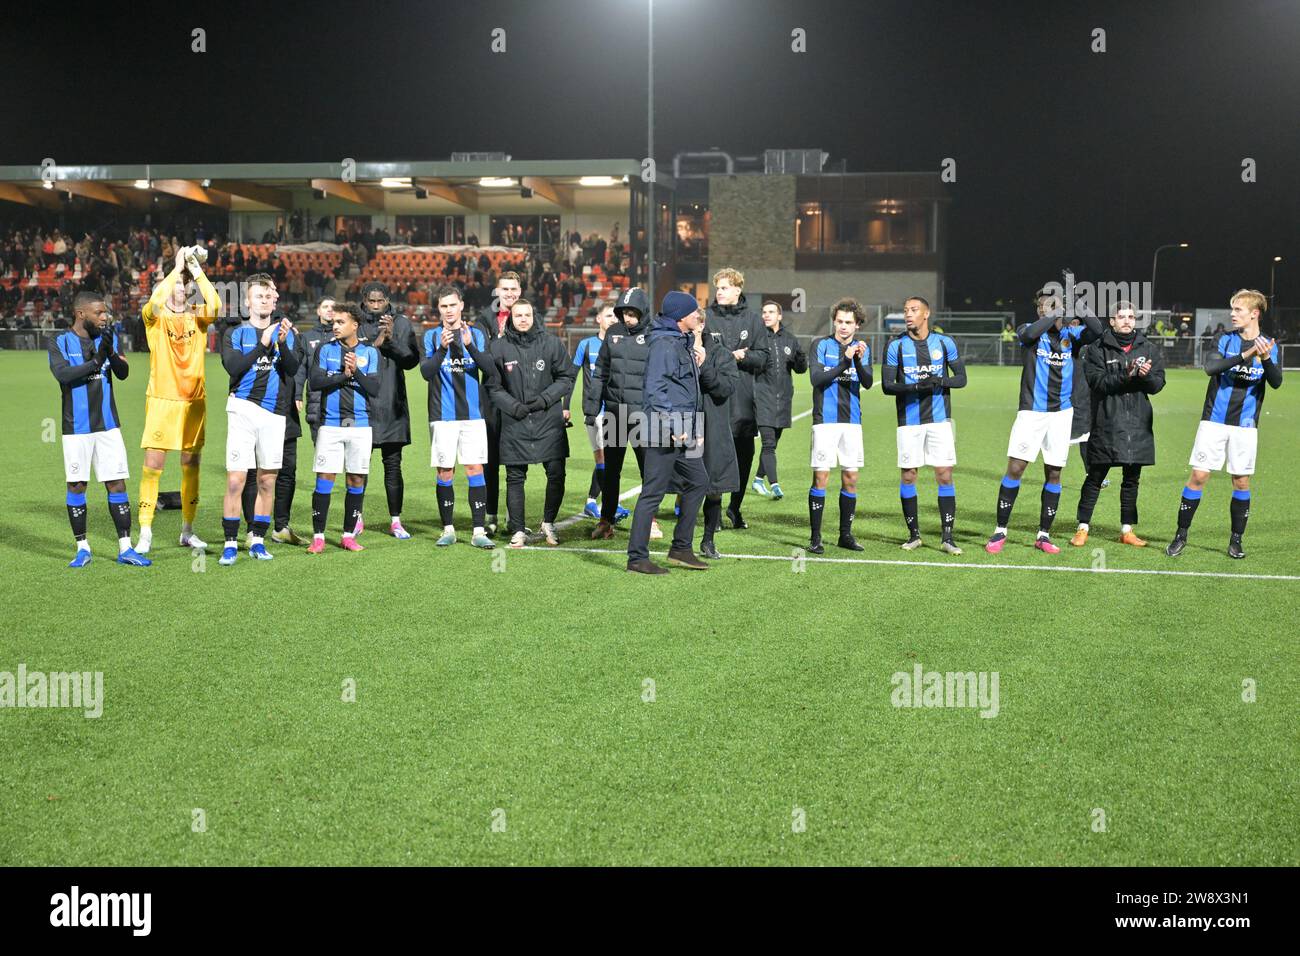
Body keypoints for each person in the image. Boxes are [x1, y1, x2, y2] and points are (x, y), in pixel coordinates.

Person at [1166, 289, 1283, 559]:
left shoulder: (1269, 346)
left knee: (1241, 481)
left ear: (1254, 313)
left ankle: (1236, 541)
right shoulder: (1224, 339)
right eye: (1232, 309)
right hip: (1214, 421)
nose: (1232, 314)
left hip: (1245, 424)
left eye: (1238, 310)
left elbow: (1276, 382)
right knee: (1199, 476)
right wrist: (1247, 355)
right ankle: (1181, 535)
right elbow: (1211, 368)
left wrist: (1264, 357)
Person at [985, 286, 1102, 554]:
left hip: (1061, 414)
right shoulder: (1029, 331)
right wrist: (1055, 312)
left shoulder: (1071, 335)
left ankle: (1043, 535)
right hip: (1031, 411)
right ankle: (1000, 530)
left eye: (1048, 306)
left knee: (1054, 471)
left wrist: (1078, 305)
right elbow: (1030, 332)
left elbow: (1097, 331)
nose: (1042, 310)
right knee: (1016, 468)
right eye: (1041, 307)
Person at [49, 292, 150, 567]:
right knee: (77, 484)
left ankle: (126, 547)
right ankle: (82, 548)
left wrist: (110, 354)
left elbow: (123, 372)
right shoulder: (59, 341)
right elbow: (63, 375)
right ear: (81, 314)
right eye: (99, 313)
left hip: (108, 425)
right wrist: (96, 361)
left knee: (116, 482)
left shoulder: (108, 337)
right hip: (76, 427)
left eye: (106, 313)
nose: (105, 317)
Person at [136, 245, 220, 554]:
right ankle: (145, 531)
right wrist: (175, 267)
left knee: (191, 463)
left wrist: (194, 269)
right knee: (153, 464)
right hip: (162, 400)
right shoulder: (154, 320)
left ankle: (187, 529)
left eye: (184, 291)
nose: (179, 294)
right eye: (175, 290)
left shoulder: (199, 319)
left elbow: (215, 302)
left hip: (193, 401)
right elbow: (156, 301)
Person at [626, 291, 711, 573]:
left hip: (684, 427)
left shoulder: (679, 341)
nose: (698, 315)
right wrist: (675, 425)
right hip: (663, 428)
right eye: (693, 311)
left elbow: (685, 390)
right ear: (680, 316)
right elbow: (655, 389)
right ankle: (637, 558)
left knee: (699, 480)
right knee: (653, 492)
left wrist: (693, 426)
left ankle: (681, 549)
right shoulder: (664, 343)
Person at [218, 274, 300, 565]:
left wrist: (281, 343)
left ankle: (258, 539)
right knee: (236, 479)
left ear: (274, 299)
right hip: (242, 409)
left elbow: (292, 368)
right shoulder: (235, 333)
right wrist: (263, 345)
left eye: (268, 296)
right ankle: (230, 542)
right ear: (247, 301)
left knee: (267, 480)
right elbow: (234, 367)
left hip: (275, 414)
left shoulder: (287, 332)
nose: (264, 301)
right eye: (258, 296)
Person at [1069, 301, 1165, 548]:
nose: (1127, 320)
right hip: (1106, 422)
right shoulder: (1097, 348)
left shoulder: (1149, 348)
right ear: (1111, 321)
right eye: (1121, 316)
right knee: (1095, 477)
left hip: (1138, 425)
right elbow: (1097, 382)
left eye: (1131, 316)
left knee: (1131, 480)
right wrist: (1127, 374)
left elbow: (1157, 385)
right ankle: (1082, 527)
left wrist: (1144, 377)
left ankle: (1127, 530)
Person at [881, 295, 967, 554]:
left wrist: (940, 381)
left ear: (926, 314)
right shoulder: (895, 346)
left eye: (914, 309)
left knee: (944, 474)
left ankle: (947, 537)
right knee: (909, 475)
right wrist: (916, 386)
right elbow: (887, 386)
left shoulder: (944, 342)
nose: (908, 314)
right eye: (905, 310)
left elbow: (961, 379)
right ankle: (914, 534)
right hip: (909, 422)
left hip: (940, 421)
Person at [487, 299, 576, 548]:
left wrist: (545, 400)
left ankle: (549, 522)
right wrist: (513, 406)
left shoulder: (551, 343)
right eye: (518, 315)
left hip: (548, 419)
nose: (523, 319)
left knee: (556, 473)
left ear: (534, 316)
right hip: (514, 421)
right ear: (510, 319)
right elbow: (492, 386)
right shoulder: (499, 347)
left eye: (527, 314)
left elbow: (567, 376)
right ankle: (517, 529)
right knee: (515, 477)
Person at [421, 285, 494, 549]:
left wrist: (470, 346)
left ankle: (478, 531)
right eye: (443, 306)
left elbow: (490, 369)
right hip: (442, 416)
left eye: (453, 305)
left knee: (474, 469)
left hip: (473, 416)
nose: (449, 310)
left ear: (461, 305)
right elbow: (426, 373)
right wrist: (441, 350)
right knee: (445, 471)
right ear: (438, 309)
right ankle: (448, 528)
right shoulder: (430, 336)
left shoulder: (475, 334)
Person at [307, 303, 380, 553]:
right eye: (334, 322)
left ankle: (348, 535)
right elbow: (315, 382)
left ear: (354, 325)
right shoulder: (325, 350)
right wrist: (344, 375)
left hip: (360, 425)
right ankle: (318, 536)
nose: (334, 326)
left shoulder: (370, 353)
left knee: (356, 478)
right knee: (325, 479)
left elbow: (375, 388)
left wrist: (356, 372)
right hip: (330, 424)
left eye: (340, 322)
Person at [586, 287, 656, 540]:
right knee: (611, 469)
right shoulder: (613, 333)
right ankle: (606, 520)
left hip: (643, 416)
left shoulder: (654, 334)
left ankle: (650, 520)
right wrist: (592, 408)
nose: (627, 318)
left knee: (647, 470)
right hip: (615, 413)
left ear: (643, 311)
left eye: (632, 313)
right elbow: (601, 371)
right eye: (624, 312)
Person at [808, 298, 874, 554]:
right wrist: (845, 362)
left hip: (852, 422)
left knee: (851, 478)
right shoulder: (820, 345)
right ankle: (815, 538)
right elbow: (817, 378)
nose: (843, 327)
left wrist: (856, 360)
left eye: (848, 322)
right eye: (839, 321)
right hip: (825, 421)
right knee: (821, 477)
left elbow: (868, 382)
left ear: (857, 325)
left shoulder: (862, 349)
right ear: (834, 321)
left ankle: (845, 535)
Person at [706, 267, 769, 530]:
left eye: (724, 287)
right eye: (717, 288)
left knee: (745, 455)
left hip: (743, 400)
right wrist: (725, 357)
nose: (719, 292)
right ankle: (715, 512)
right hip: (715, 398)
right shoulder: (706, 318)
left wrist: (743, 356)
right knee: (714, 457)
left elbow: (763, 357)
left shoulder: (754, 320)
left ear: (737, 290)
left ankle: (735, 507)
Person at [355, 282, 419, 539]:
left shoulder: (401, 323)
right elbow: (352, 355)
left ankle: (396, 521)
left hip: (393, 405)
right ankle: (356, 517)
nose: (375, 305)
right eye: (371, 301)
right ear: (363, 300)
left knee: (393, 466)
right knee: (359, 466)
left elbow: (412, 361)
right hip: (361, 404)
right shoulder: (354, 322)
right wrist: (378, 343)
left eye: (380, 301)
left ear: (388, 300)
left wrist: (391, 340)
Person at [568, 304, 630, 525]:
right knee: (603, 457)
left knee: (608, 458)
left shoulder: (621, 344)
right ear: (598, 319)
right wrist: (565, 407)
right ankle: (605, 503)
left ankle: (594, 501)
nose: (613, 320)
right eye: (608, 316)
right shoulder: (586, 345)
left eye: (616, 316)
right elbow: (571, 376)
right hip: (595, 410)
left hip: (615, 409)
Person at [473, 271, 524, 535]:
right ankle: (490, 515)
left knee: (516, 459)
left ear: (520, 290)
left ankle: (514, 517)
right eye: (505, 289)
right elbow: (483, 356)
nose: (510, 294)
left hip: (519, 395)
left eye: (514, 289)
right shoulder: (484, 319)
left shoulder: (526, 316)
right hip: (491, 397)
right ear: (497, 291)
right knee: (490, 458)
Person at [692, 308, 740, 559]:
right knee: (686, 486)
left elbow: (725, 388)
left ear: (701, 325)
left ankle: (708, 540)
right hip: (683, 426)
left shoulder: (721, 354)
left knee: (713, 485)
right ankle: (682, 541)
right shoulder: (675, 350)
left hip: (713, 428)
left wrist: (703, 367)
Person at [751, 300, 807, 500]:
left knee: (772, 444)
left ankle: (758, 480)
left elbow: (800, 370)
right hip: (762, 397)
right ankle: (774, 484)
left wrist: (801, 358)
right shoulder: (756, 338)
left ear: (779, 316)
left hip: (783, 400)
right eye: (764, 312)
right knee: (767, 444)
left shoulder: (790, 340)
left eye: (771, 312)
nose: (766, 315)